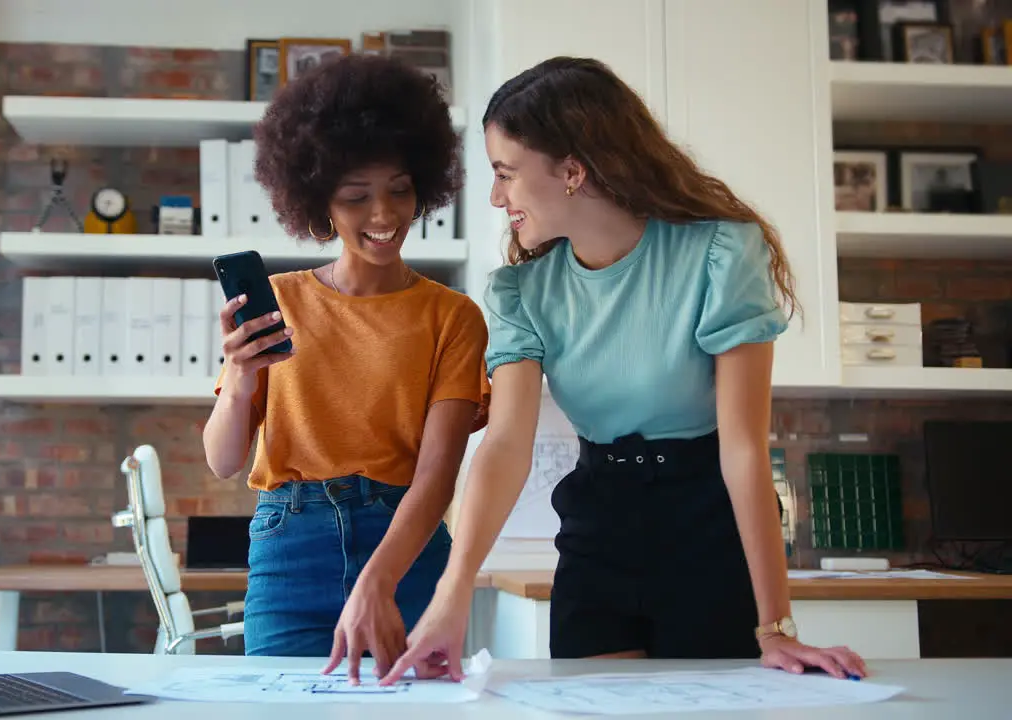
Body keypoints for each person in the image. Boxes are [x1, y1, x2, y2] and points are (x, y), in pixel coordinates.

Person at [383, 56, 869, 683]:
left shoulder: (721, 252)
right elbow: (504, 446)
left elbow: (745, 450)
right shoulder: (520, 292)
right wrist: (450, 600)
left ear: (572, 171)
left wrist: (775, 627)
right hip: (597, 532)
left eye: (505, 174)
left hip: (707, 531)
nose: (496, 196)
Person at [201, 53, 489, 681]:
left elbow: (437, 477)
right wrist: (240, 384)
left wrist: (376, 581)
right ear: (319, 202)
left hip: (405, 550)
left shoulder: (452, 317)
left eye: (400, 190)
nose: (384, 216)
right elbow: (224, 460)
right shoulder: (278, 301)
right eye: (357, 197)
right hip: (288, 554)